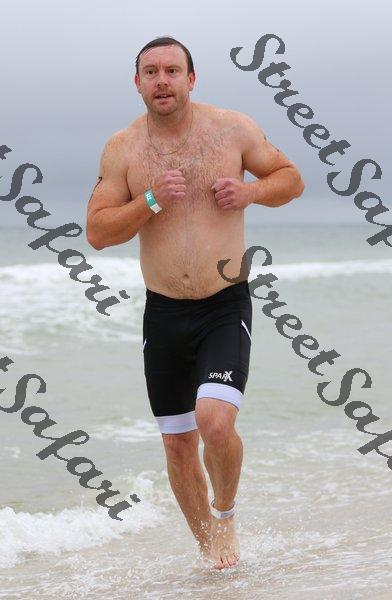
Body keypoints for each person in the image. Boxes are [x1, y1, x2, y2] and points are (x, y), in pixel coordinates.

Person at [86, 36, 304, 570]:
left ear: (191, 79)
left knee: (215, 422)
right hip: (163, 312)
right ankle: (212, 557)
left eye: (172, 70)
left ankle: (225, 516)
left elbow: (291, 179)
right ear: (137, 83)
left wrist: (250, 192)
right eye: (151, 72)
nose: (162, 80)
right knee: (178, 444)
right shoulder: (123, 148)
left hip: (223, 303)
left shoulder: (232, 129)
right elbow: (98, 231)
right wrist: (151, 199)